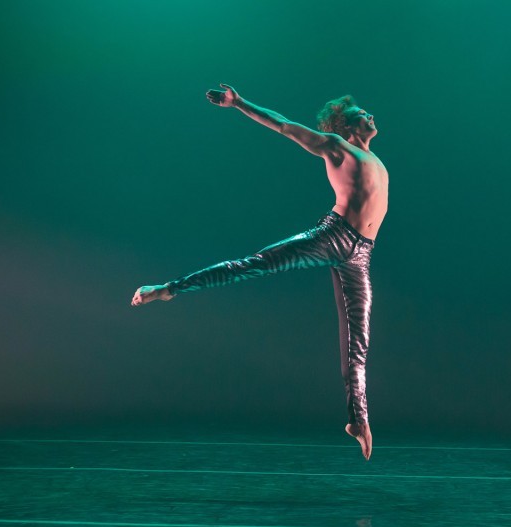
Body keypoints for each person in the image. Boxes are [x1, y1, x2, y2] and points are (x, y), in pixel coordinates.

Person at [131, 84, 388, 460]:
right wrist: (239, 103)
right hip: (333, 236)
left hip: (361, 255)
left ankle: (358, 419)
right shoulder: (336, 146)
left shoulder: (377, 161)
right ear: (348, 126)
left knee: (358, 340)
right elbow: (284, 125)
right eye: (362, 114)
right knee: (253, 265)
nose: (370, 116)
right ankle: (168, 289)